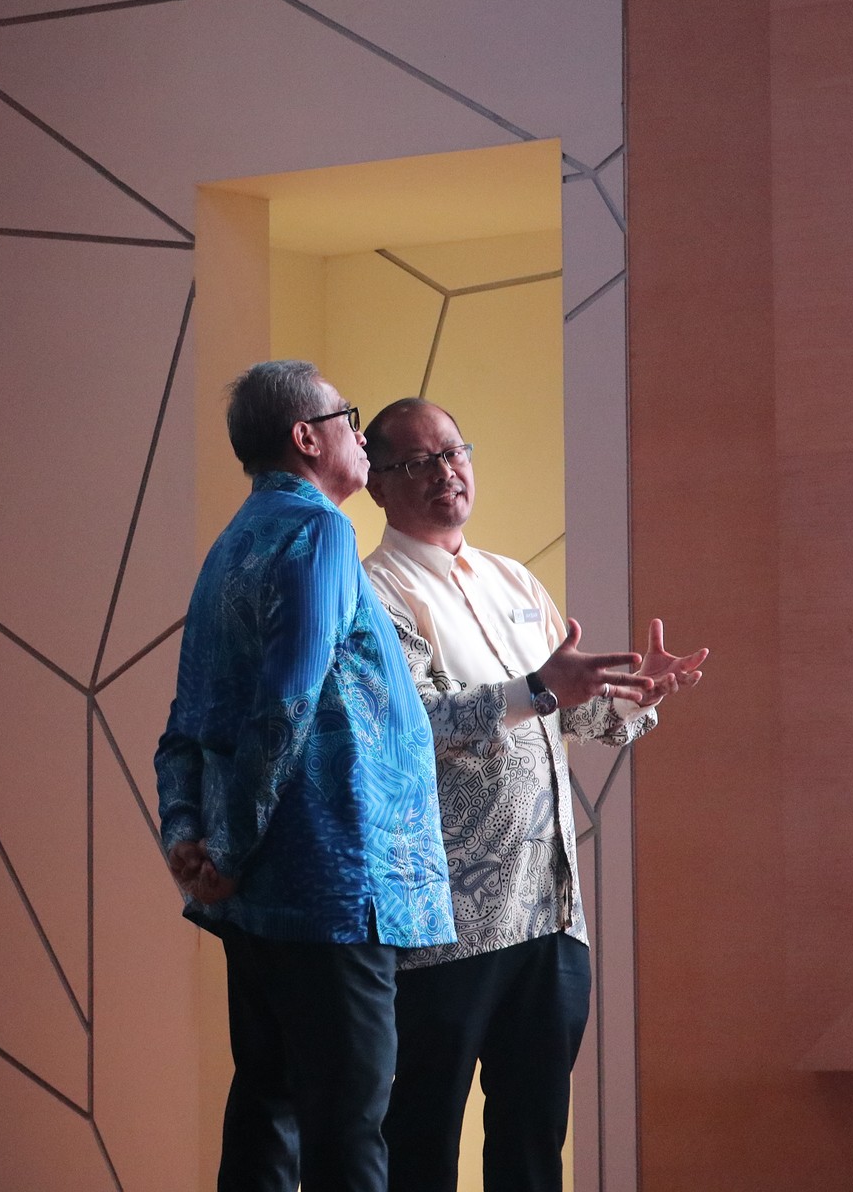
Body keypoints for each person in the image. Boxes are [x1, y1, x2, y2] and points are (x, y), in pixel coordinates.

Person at [360, 398, 706, 1192]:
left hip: (549, 917)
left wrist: (634, 698)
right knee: (419, 1145)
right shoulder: (374, 593)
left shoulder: (513, 580)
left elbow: (569, 713)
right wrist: (538, 690)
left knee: (533, 1145)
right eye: (418, 462)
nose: (445, 471)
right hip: (442, 929)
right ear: (377, 485)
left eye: (454, 451)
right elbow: (407, 724)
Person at [153, 361, 461, 1192]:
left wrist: (189, 835)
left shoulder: (229, 546)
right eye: (346, 418)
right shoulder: (319, 533)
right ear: (306, 438)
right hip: (333, 888)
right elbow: (288, 702)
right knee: (348, 1130)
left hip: (259, 899)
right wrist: (226, 850)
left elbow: (185, 723)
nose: (360, 434)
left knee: (268, 1112)